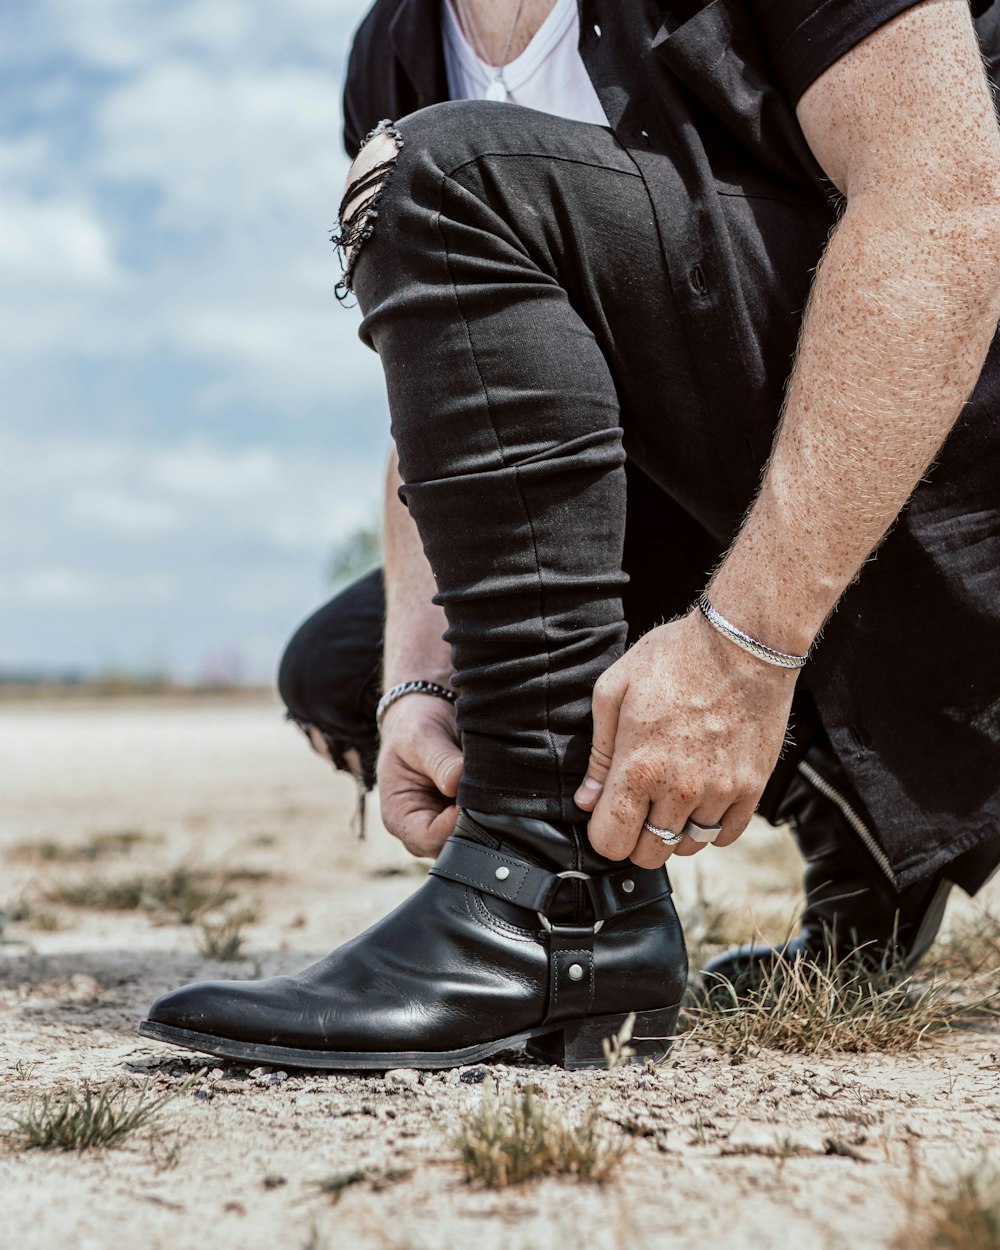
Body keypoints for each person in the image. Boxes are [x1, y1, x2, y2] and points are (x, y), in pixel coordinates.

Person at [140, 0, 1000, 1071]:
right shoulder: (396, 51)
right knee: (348, 670)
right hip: (721, 471)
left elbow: (946, 210)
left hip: (944, 456)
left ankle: (547, 899)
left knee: (446, 174)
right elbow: (454, 386)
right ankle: (861, 843)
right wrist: (415, 680)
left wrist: (744, 647)